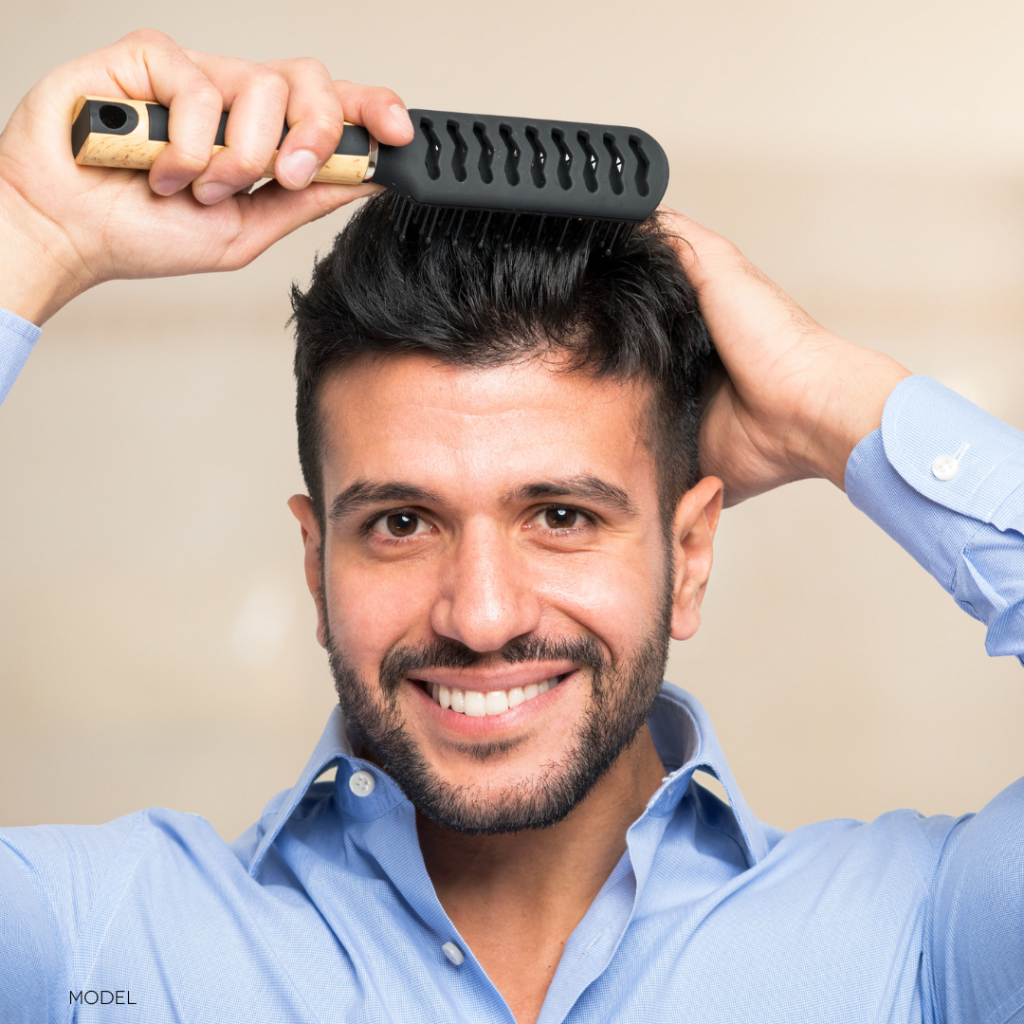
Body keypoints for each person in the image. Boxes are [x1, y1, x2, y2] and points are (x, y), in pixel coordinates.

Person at [1, 30, 1022, 1024]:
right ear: (316, 566)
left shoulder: (921, 949)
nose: (482, 617)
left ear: (692, 552)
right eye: (401, 522)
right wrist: (26, 238)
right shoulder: (106, 953)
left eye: (561, 515)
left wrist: (832, 406)